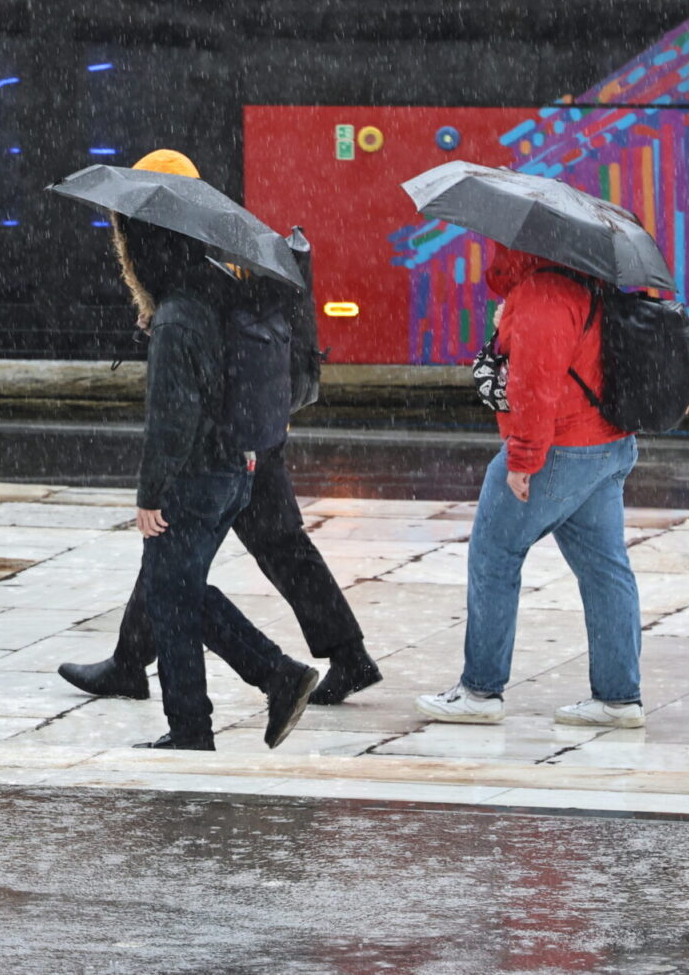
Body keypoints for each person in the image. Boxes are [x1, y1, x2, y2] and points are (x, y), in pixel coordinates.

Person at [60, 150, 381, 707]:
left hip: (223, 440)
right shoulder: (228, 251)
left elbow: (199, 363)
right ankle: (134, 661)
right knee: (258, 547)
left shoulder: (193, 263)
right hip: (252, 429)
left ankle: (156, 670)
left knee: (177, 557)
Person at [111, 209, 319, 750]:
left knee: (170, 595)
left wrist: (150, 493)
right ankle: (250, 692)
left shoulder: (177, 317)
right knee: (176, 590)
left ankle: (229, 705)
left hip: (194, 478)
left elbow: (171, 418)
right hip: (235, 469)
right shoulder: (221, 288)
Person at [416, 243, 644, 728]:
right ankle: (618, 698)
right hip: (606, 443)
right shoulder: (586, 280)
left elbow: (535, 385)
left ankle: (480, 690)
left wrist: (523, 460)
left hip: (560, 447)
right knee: (605, 570)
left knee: (494, 554)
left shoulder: (543, 294)